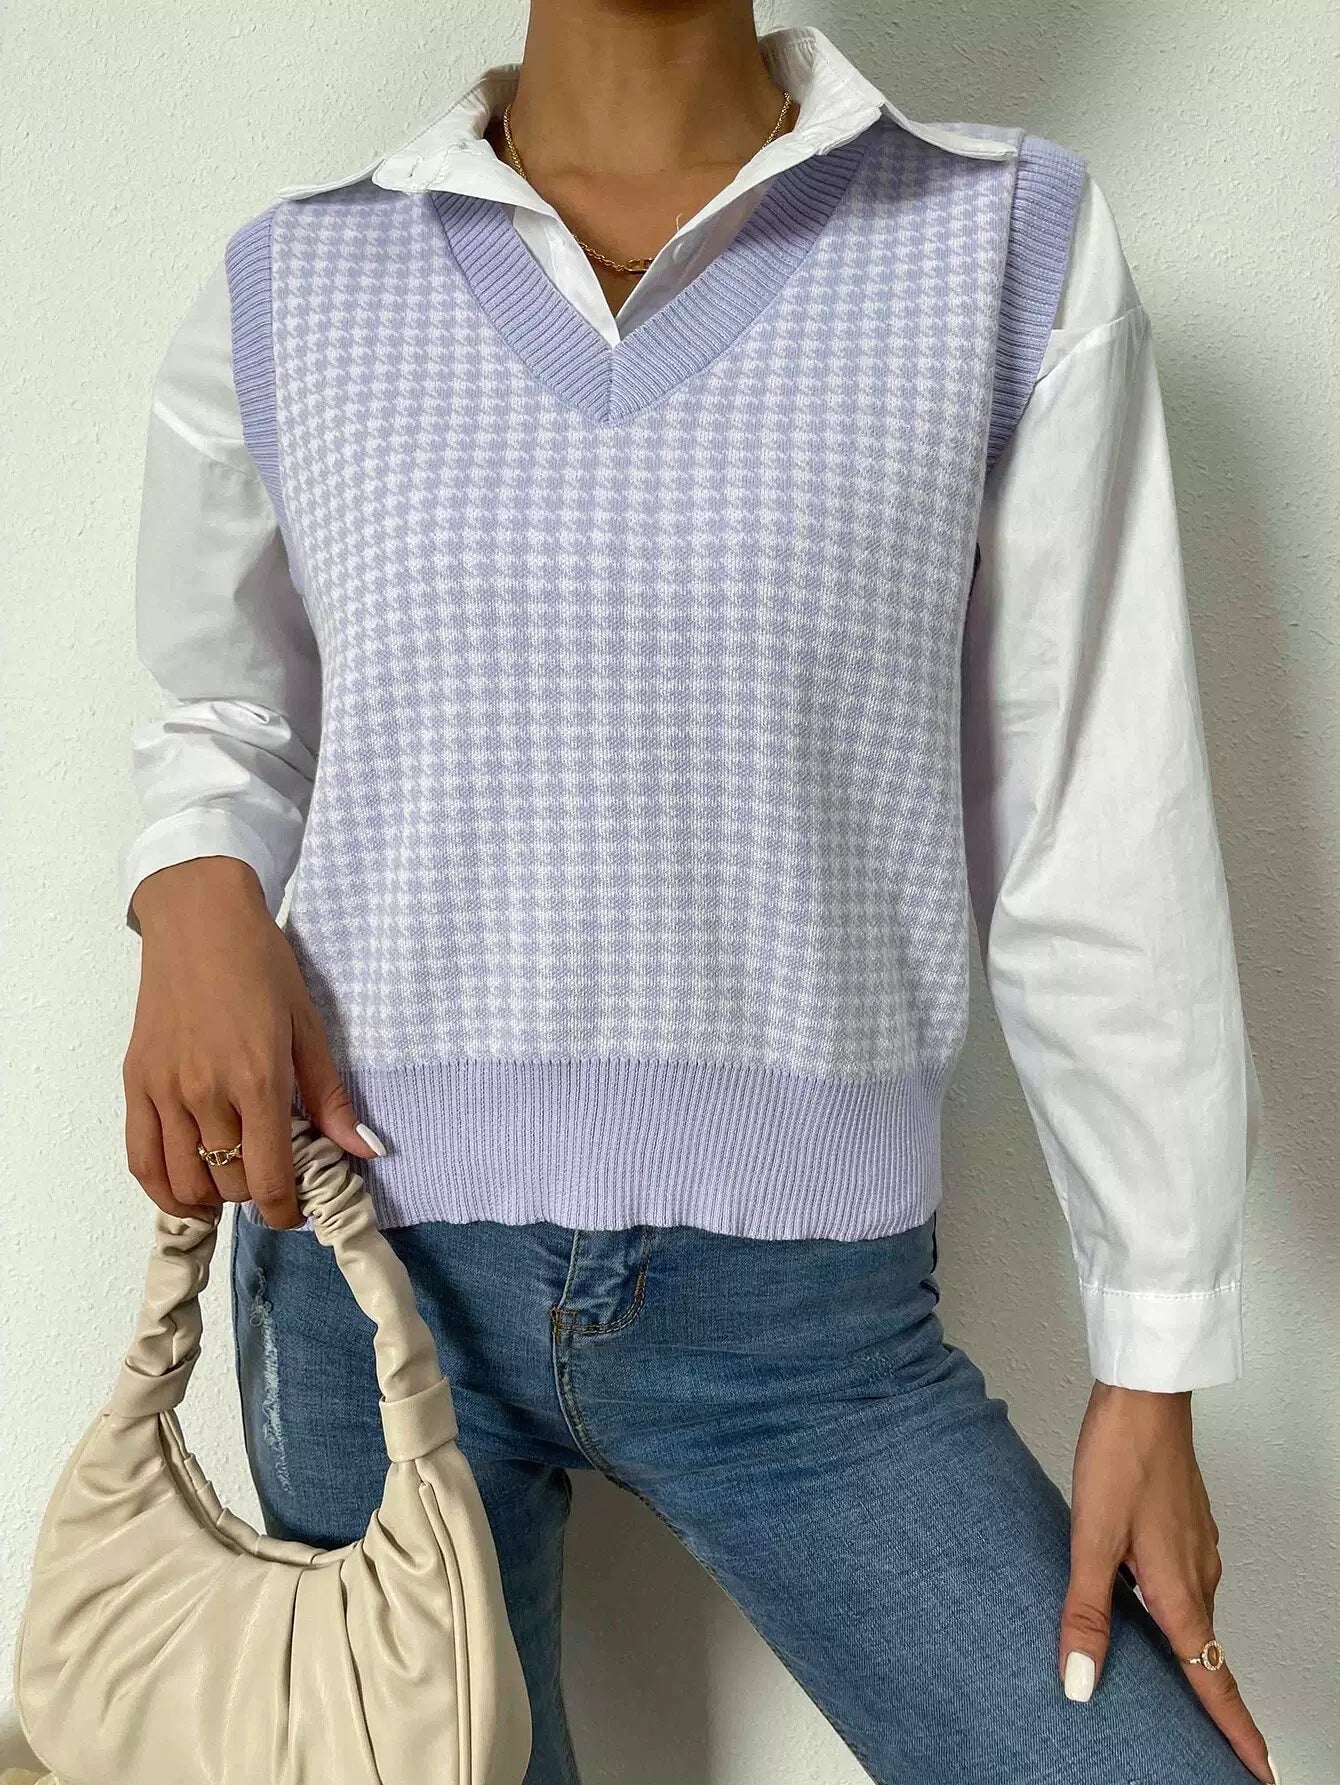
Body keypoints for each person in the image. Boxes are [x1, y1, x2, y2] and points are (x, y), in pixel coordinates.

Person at [119, 6, 1277, 1782]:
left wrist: (1153, 1357)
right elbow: (226, 710)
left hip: (813, 1339)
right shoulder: (300, 280)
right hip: (364, 1278)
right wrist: (194, 880)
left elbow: (1096, 819)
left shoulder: (1002, 243)